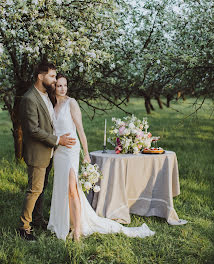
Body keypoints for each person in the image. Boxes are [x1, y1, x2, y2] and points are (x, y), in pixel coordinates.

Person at [47, 73, 155, 241]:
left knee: (72, 189)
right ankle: (65, 221)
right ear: (53, 86)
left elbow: (80, 130)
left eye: (65, 85)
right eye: (59, 85)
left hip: (71, 151)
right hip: (59, 152)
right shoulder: (52, 105)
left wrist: (86, 153)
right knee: (62, 189)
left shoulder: (71, 103)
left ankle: (76, 231)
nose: (62, 89)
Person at [18, 62, 76, 241]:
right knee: (34, 189)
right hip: (38, 152)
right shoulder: (29, 98)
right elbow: (33, 129)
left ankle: (37, 219)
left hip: (49, 151)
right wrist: (59, 140)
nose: (54, 79)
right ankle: (23, 227)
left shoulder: (46, 95)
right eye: (51, 76)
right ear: (40, 76)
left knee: (42, 188)